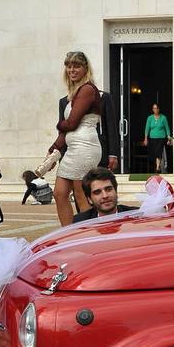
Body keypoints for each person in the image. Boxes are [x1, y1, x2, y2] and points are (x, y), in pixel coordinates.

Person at [50, 51, 102, 226]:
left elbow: (71, 123)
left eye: (76, 66)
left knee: (81, 195)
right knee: (59, 193)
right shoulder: (75, 91)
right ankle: (69, 234)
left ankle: (88, 237)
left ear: (85, 68)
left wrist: (59, 124)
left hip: (85, 147)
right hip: (73, 149)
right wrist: (55, 147)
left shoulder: (87, 89)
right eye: (68, 65)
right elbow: (68, 129)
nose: (71, 69)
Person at [58, 87, 118, 171]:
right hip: (72, 153)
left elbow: (111, 126)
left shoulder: (103, 97)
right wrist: (59, 155)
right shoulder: (64, 101)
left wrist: (113, 154)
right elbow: (63, 131)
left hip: (97, 151)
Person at [143, 103, 170, 172]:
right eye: (154, 108)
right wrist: (145, 139)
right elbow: (147, 129)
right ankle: (159, 167)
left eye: (157, 108)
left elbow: (167, 128)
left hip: (161, 138)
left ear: (159, 109)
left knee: (159, 152)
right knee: (155, 153)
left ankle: (157, 168)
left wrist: (169, 138)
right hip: (152, 139)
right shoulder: (150, 118)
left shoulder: (163, 118)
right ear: (152, 109)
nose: (155, 110)